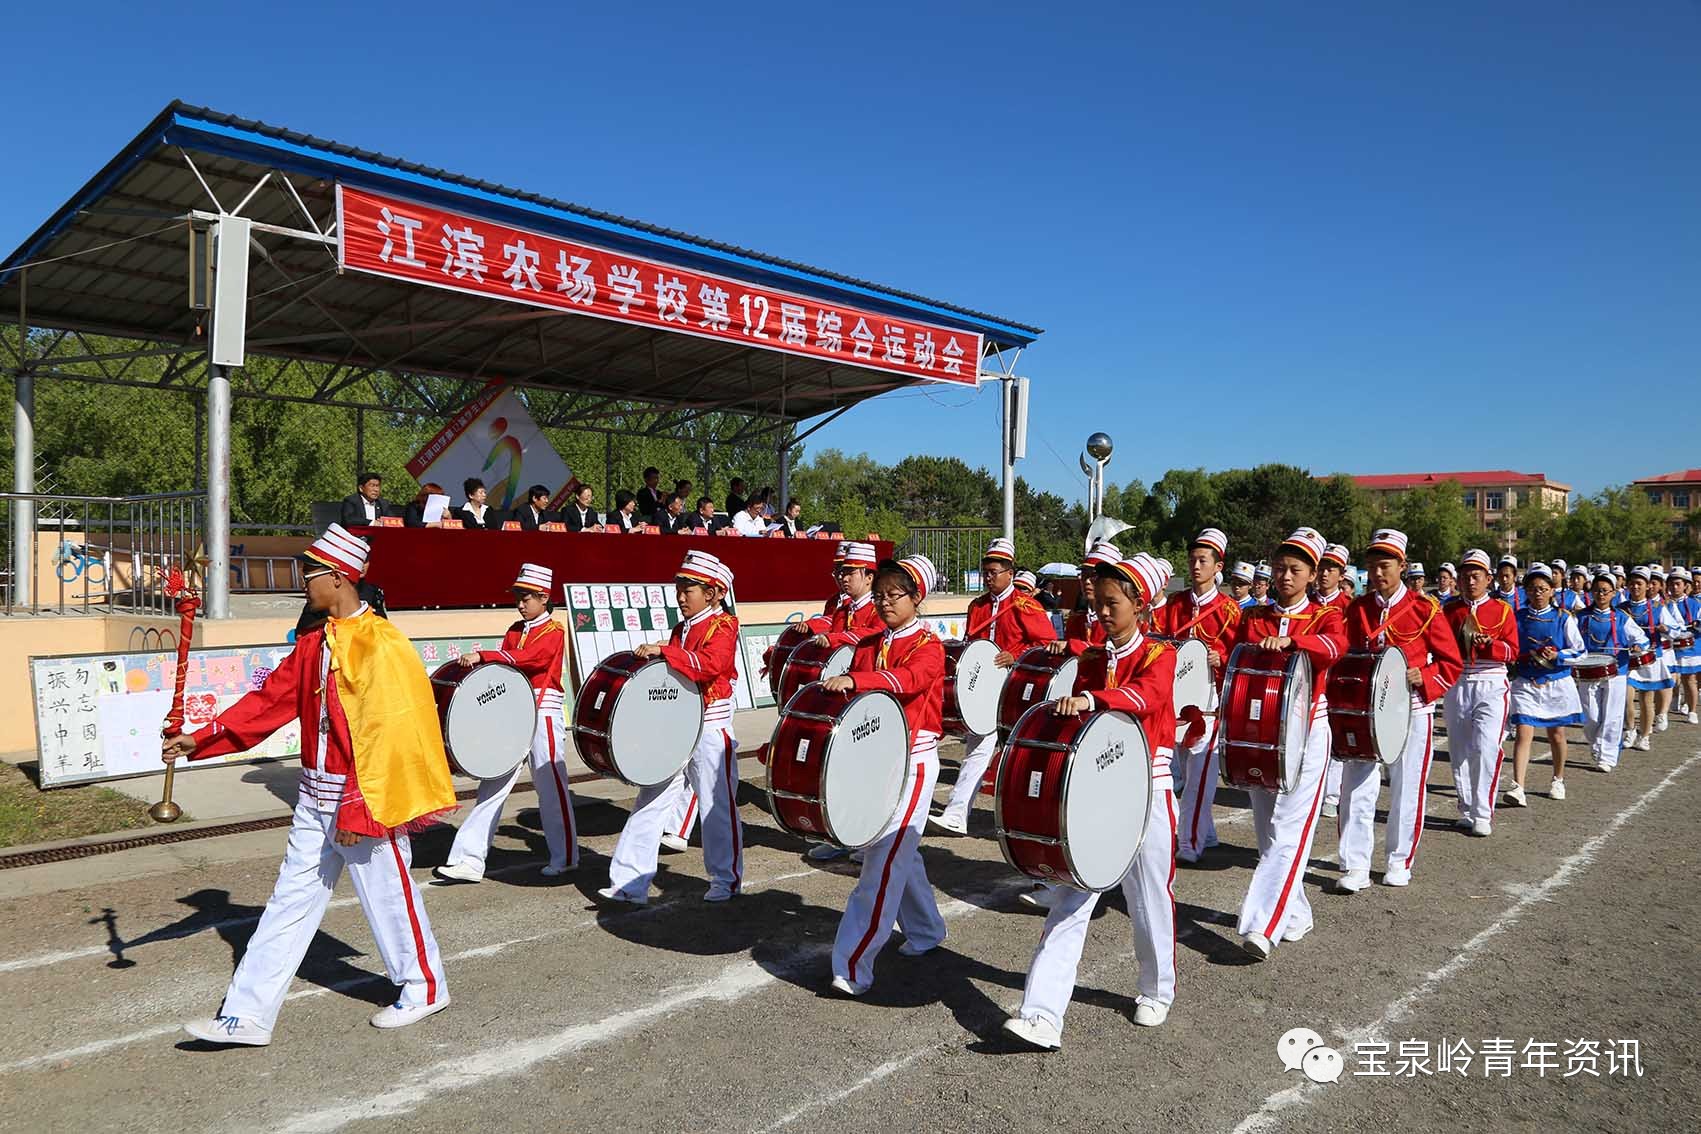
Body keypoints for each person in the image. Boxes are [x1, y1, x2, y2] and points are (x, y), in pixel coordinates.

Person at [164, 525, 456, 1045]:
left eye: (310, 574)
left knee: (389, 896)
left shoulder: (383, 645)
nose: (304, 583)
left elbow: (394, 734)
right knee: (287, 902)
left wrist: (359, 806)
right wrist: (202, 740)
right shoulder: (315, 642)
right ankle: (247, 1016)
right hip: (313, 794)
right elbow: (270, 701)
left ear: (340, 579)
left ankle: (424, 987)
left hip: (363, 794)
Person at [1002, 554, 1180, 1050]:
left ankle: (1156, 989)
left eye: (1112, 603)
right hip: (1097, 791)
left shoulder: (1161, 655)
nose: (1100, 611)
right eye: (1096, 602)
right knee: (1070, 895)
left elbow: (1146, 697)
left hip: (1150, 789)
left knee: (1148, 899)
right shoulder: (1092, 659)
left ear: (1140, 605)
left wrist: (1094, 700)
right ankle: (1040, 1013)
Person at [820, 555, 950, 998]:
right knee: (898, 853)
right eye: (879, 595)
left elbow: (910, 680)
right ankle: (928, 929)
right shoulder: (869, 643)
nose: (885, 602)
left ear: (918, 598)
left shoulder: (929, 646)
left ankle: (853, 965)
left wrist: (858, 681)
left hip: (913, 763)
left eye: (895, 595)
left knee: (881, 864)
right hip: (877, 762)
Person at [1226, 527, 1347, 959]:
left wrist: (1294, 640)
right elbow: (1232, 657)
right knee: (1267, 828)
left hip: (1308, 731)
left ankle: (1264, 925)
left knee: (1289, 830)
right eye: (1279, 568)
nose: (1285, 576)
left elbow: (1335, 647)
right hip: (1258, 732)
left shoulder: (1326, 616)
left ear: (1314, 574)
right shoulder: (1254, 615)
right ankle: (1296, 913)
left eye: (1295, 569)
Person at [600, 551, 744, 904]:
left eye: (688, 589)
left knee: (716, 804)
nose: (680, 596)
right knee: (651, 799)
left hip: (710, 726)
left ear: (711, 593)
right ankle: (630, 882)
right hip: (677, 727)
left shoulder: (724, 625)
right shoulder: (683, 628)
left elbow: (711, 665)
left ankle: (725, 879)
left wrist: (665, 652)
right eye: (679, 588)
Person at [434, 564, 579, 884]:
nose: (520, 602)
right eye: (517, 596)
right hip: (514, 715)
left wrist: (485, 656)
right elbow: (505, 669)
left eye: (526, 596)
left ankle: (566, 856)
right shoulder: (515, 629)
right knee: (493, 784)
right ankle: (468, 860)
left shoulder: (554, 631)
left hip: (545, 714)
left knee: (551, 787)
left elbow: (533, 659)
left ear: (544, 598)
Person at [1334, 529, 1461, 892]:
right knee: (1355, 786)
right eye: (1372, 565)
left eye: (1384, 565)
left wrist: (1424, 675)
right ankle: (1355, 864)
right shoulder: (1358, 609)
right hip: (1364, 711)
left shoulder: (1425, 608)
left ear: (1402, 566)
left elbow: (1451, 663)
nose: (1377, 573)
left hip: (1412, 710)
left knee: (1407, 788)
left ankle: (1399, 859)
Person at [930, 537, 1055, 836]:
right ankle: (959, 812)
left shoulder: (1026, 606)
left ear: (1010, 572)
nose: (988, 576)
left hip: (1012, 688)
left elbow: (1047, 642)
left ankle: (962, 812)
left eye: (994, 571)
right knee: (979, 746)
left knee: (993, 750)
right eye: (985, 571)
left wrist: (1016, 655)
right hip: (978, 689)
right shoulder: (978, 606)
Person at [1152, 528, 1241, 865]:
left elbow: (1240, 654)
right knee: (1184, 775)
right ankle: (1206, 833)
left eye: (1203, 560)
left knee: (1199, 775)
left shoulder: (1230, 610)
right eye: (1192, 560)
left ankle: (1189, 843)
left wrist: (1223, 656)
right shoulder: (1176, 603)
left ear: (1219, 566)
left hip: (1209, 703)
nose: (1195, 566)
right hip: (1174, 700)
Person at [1441, 549, 1519, 830]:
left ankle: (1483, 813)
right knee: (1459, 749)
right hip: (1457, 681)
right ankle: (1466, 807)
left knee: (1486, 748)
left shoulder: (1502, 610)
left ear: (1489, 578)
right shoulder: (1448, 610)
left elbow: (1512, 652)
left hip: (1491, 681)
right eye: (1464, 576)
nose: (1470, 582)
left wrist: (1491, 646)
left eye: (1476, 576)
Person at [1504, 563, 1584, 804]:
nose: (1537, 592)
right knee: (1523, 734)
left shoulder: (1563, 618)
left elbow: (1580, 651)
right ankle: (1518, 786)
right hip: (1526, 683)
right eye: (1532, 588)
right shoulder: (1516, 617)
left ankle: (1558, 779)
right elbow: (1509, 649)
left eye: (1542, 588)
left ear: (1552, 590)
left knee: (1557, 734)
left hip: (1556, 684)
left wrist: (1558, 656)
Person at [1575, 569, 1648, 771]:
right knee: (1590, 717)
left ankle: (1606, 757)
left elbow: (1642, 638)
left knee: (1613, 715)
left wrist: (1637, 647)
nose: (1601, 595)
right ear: (1591, 592)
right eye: (1597, 590)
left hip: (1617, 671)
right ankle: (1597, 745)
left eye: (1606, 591)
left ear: (1614, 593)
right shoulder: (1580, 617)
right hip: (1587, 672)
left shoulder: (1622, 618)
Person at [1316, 542, 1354, 821]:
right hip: (1313, 679)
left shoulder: (1349, 608)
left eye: (1331, 569)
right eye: (1321, 568)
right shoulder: (1308, 603)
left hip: (1339, 678)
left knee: (1337, 735)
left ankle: (1331, 795)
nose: (1324, 573)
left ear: (1341, 574)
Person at [1620, 566, 1676, 749]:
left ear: (1647, 587)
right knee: (1626, 697)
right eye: (1632, 583)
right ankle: (1629, 729)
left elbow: (1677, 630)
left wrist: (1665, 629)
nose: (1635, 587)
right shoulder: (1620, 609)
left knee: (1646, 700)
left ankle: (1645, 735)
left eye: (1639, 583)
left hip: (1650, 660)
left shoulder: (1659, 608)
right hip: (1627, 660)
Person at [1668, 568, 1700, 723]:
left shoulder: (1695, 603)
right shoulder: (1662, 604)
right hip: (1670, 646)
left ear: (1685, 586)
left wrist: (1697, 624)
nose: (1674, 587)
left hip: (1691, 646)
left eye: (1678, 584)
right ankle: (1672, 699)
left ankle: (1692, 710)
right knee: (1670, 678)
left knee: (1690, 679)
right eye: (1672, 584)